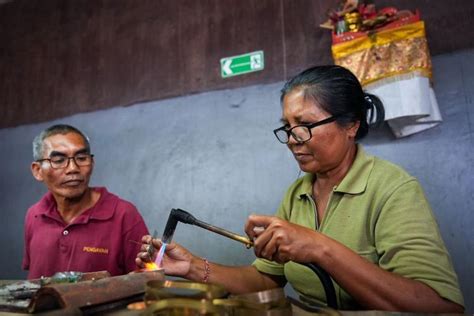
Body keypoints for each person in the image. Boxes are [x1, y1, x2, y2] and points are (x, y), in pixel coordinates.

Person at [136, 65, 464, 312]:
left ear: (350, 124)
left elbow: (441, 307)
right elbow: (267, 279)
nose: (292, 141)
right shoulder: (298, 194)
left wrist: (320, 247)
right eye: (287, 128)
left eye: (305, 127)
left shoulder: (392, 189)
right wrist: (193, 267)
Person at [23, 124, 149, 279]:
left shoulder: (124, 214)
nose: (72, 168)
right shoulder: (34, 215)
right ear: (38, 170)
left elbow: (147, 282)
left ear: (92, 163)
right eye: (58, 160)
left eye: (81, 158)